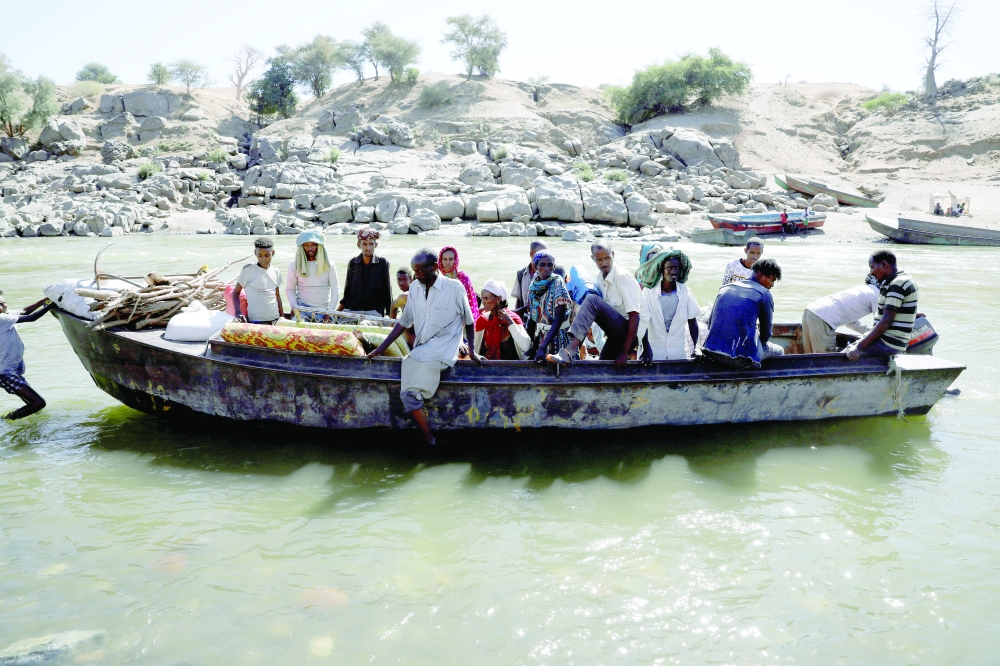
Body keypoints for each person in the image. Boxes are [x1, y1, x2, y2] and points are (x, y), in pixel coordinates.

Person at [366, 250, 483, 445]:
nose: (417, 275)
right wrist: (381, 348)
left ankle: (428, 436)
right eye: (415, 271)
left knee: (409, 385)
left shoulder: (454, 288)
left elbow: (469, 321)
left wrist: (472, 351)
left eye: (420, 271)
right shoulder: (415, 288)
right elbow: (404, 321)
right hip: (422, 347)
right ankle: (427, 430)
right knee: (410, 381)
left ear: (435, 268)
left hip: (445, 347)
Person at [546, 242, 641, 370]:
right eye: (599, 260)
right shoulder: (599, 279)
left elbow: (636, 315)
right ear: (593, 259)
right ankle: (572, 352)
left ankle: (569, 351)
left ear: (613, 255)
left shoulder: (622, 277)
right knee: (602, 367)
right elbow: (595, 315)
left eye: (607, 258)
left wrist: (625, 352)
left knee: (592, 300)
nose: (604, 263)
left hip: (630, 335)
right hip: (615, 335)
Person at [702, 258, 784, 369]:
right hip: (741, 359)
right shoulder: (765, 294)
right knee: (780, 350)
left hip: (711, 351)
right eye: (772, 280)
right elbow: (766, 335)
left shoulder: (725, 288)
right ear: (761, 275)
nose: (772, 285)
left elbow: (710, 323)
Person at [846, 251, 918, 360]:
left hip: (887, 343)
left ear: (884, 264)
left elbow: (886, 321)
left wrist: (859, 347)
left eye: (872, 267)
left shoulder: (897, 284)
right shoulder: (899, 280)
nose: (871, 273)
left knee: (843, 357)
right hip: (889, 341)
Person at [635, 250, 701, 362]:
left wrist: (697, 346)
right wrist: (646, 347)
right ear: (662, 270)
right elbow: (643, 321)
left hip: (678, 351)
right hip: (652, 351)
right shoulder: (648, 292)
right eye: (669, 268)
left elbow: (692, 321)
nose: (673, 271)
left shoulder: (685, 291)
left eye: (677, 268)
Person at [1, 294, 55, 420]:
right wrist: (52, 305)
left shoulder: (5, 315)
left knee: (33, 405)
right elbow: (31, 317)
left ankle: (34, 424)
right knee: (38, 403)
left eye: (4, 302)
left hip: (10, 370)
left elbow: (25, 311)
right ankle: (5, 420)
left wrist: (42, 301)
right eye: (1, 304)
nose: (5, 306)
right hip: (4, 373)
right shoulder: (2, 318)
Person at [801, 274, 880, 354]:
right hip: (823, 318)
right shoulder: (877, 294)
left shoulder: (863, 289)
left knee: (809, 356)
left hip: (810, 311)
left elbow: (850, 323)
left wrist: (868, 332)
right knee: (826, 358)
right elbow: (880, 322)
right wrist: (875, 335)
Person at [526, 251, 573, 363]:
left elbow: (559, 319)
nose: (546, 268)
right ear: (535, 267)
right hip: (540, 337)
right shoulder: (534, 286)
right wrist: (533, 346)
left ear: (554, 267)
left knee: (559, 370)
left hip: (559, 339)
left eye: (550, 265)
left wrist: (543, 347)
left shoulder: (557, 282)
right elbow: (533, 318)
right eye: (542, 265)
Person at [339, 228, 392, 317]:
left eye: (371, 244)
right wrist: (333, 315)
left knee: (365, 324)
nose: (368, 248)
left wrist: (391, 319)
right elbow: (347, 294)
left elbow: (387, 294)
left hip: (373, 312)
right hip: (352, 310)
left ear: (376, 245)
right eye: (364, 244)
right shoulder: (353, 263)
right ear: (359, 245)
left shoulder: (382, 263)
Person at [474, 279, 531, 360]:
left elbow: (526, 346)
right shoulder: (483, 320)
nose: (483, 302)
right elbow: (475, 347)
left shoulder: (512, 318)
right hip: (485, 365)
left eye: (486, 298)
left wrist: (510, 322)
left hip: (510, 366)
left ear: (499, 299)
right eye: (482, 298)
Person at [233, 237, 284, 324]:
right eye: (260, 255)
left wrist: (282, 316)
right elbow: (235, 293)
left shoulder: (276, 271)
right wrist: (238, 312)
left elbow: (277, 296)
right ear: (255, 253)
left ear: (273, 253)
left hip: (275, 318)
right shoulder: (248, 270)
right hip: (256, 320)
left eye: (267, 255)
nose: (263, 259)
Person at [285, 230, 339, 312]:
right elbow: (290, 289)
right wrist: (294, 307)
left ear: (318, 246)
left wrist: (330, 313)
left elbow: (335, 289)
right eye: (306, 245)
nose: (310, 248)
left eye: (313, 245)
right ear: (302, 247)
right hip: (302, 309)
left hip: (324, 310)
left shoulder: (329, 265)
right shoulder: (294, 265)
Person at [438, 246, 479, 320]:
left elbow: (469, 301)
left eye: (451, 259)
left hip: (460, 318)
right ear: (441, 260)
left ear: (455, 260)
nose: (447, 262)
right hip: (442, 318)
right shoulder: (437, 277)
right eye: (445, 259)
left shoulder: (462, 277)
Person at [512, 241, 548, 311]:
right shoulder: (521, 274)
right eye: (540, 254)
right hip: (525, 316)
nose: (544, 258)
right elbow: (518, 301)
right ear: (531, 254)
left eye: (545, 255)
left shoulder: (548, 275)